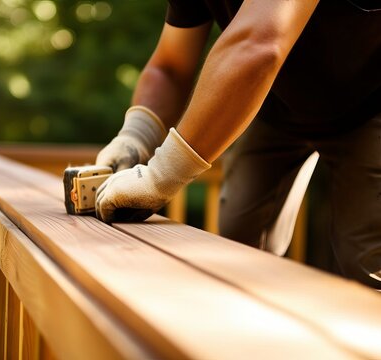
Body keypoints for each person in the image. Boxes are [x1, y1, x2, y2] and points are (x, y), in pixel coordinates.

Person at [94, 0, 381, 289]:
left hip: (371, 104)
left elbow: (259, 43)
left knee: (368, 261)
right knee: (239, 241)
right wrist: (134, 136)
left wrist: (160, 176)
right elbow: (170, 67)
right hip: (275, 106)